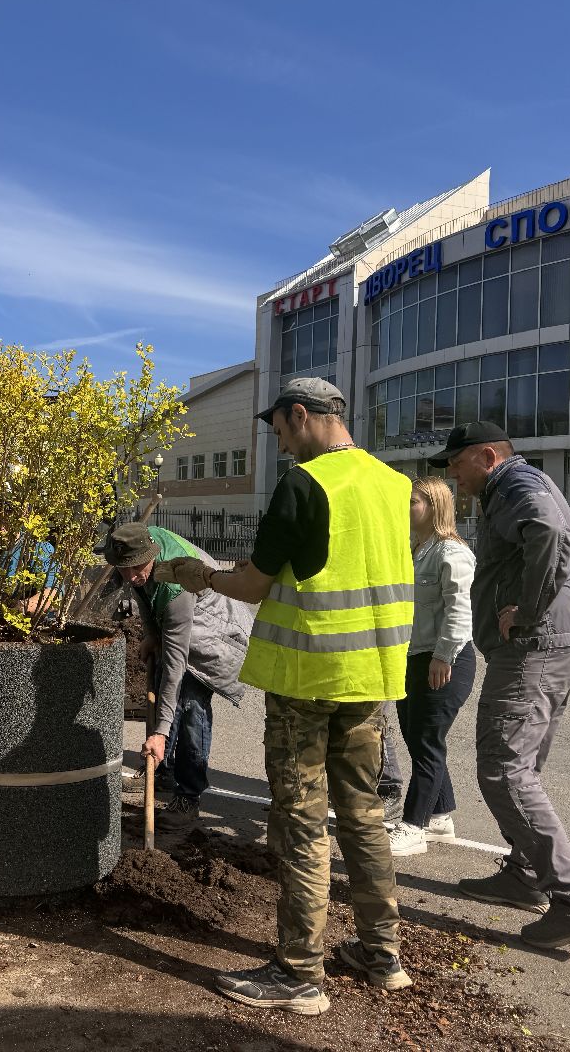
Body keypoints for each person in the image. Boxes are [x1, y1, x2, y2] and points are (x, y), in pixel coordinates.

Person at [157, 377, 413, 1016]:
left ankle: (299, 972)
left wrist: (198, 575)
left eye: (278, 432)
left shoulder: (305, 484)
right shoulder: (393, 485)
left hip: (307, 681)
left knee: (300, 819)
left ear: (300, 416)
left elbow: (250, 585)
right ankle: (382, 956)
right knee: (363, 814)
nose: (279, 446)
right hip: (371, 678)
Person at [433, 422, 570, 949]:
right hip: (547, 648)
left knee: (504, 771)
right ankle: (523, 875)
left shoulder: (516, 486)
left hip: (531, 652)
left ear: (487, 455)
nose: (451, 473)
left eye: (456, 462)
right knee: (523, 767)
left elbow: (556, 538)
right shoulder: (519, 485)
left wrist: (531, 609)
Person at [102, 522, 251, 830]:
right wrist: (152, 633)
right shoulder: (136, 546)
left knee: (192, 706)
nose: (130, 576)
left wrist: (160, 732)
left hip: (214, 633)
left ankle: (189, 797)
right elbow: (142, 591)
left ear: (151, 554)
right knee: (168, 697)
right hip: (179, 626)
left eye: (136, 568)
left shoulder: (175, 589)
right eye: (123, 569)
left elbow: (175, 665)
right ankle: (163, 772)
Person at [386, 477, 477, 858]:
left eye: (412, 502)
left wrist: (443, 656)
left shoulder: (450, 552)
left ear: (434, 506)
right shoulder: (416, 549)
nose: (406, 509)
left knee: (427, 742)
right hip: (415, 655)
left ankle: (414, 826)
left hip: (444, 659)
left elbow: (458, 610)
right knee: (417, 736)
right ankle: (439, 815)